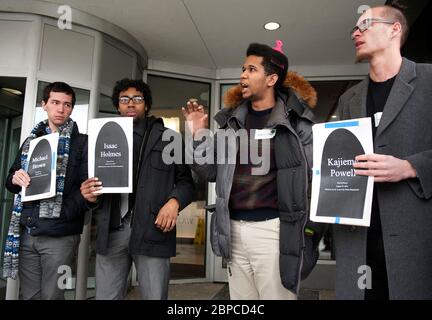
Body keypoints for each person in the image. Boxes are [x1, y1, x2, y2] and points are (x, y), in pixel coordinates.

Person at [182, 42, 323, 299]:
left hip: (274, 231)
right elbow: (210, 171)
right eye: (243, 69)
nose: (243, 75)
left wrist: (310, 230)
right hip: (233, 230)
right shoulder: (232, 122)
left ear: (271, 78)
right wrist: (197, 134)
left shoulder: (298, 124)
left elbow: (317, 181)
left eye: (251, 69)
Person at [334, 3, 432, 299]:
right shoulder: (349, 98)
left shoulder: (429, 80)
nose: (355, 32)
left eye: (365, 24)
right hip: (358, 239)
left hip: (416, 239)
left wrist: (410, 167)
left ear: (394, 29)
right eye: (354, 28)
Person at [81, 78, 195, 300]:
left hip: (152, 229)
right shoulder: (101, 139)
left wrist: (174, 202)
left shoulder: (169, 138)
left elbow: (186, 183)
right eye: (124, 99)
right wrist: (88, 195)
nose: (130, 104)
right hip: (112, 230)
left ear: (147, 105)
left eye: (137, 99)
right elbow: (90, 184)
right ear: (117, 105)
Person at [3, 82, 90, 300]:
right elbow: (11, 181)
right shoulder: (31, 141)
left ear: (71, 108)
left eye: (67, 104)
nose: (61, 109)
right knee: (30, 296)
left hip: (60, 237)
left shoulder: (82, 143)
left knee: (53, 296)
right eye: (55, 102)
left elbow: (88, 190)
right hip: (28, 233)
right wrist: (15, 177)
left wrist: (63, 212)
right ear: (44, 105)